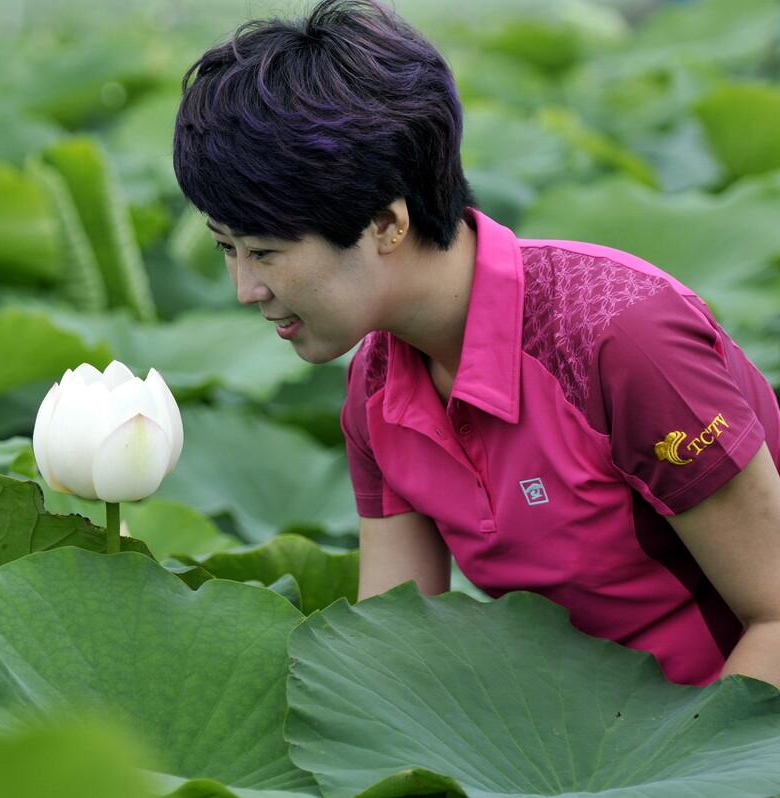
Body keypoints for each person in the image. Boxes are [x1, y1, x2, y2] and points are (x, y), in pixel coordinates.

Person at [171, 0, 780, 687]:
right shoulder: (374, 386)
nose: (245, 287)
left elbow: (777, 618)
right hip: (567, 748)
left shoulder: (620, 338)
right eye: (228, 248)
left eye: (266, 252)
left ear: (386, 224)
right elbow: (395, 657)